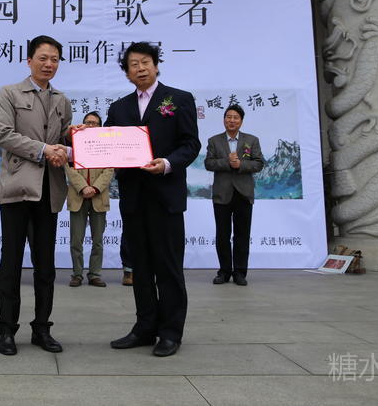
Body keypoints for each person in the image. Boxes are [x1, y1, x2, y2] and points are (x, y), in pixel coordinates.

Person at [104, 41, 200, 357]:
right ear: (127, 73)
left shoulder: (179, 99)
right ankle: (145, 328)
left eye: (145, 62)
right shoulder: (119, 108)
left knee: (168, 267)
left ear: (156, 66)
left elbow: (191, 144)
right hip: (133, 199)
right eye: (134, 64)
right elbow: (104, 144)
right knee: (141, 268)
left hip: (166, 197)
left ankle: (171, 332)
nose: (140, 68)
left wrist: (167, 163)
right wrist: (77, 138)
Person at [0, 34, 73, 356]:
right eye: (43, 58)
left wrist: (71, 142)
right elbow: (4, 135)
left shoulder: (62, 100)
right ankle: (7, 329)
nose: (49, 64)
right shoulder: (9, 93)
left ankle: (42, 328)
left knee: (46, 266)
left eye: (54, 59)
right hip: (17, 189)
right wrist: (43, 150)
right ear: (29, 61)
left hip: (49, 191)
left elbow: (65, 139)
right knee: (11, 263)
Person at [204, 104, 264, 286]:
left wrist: (241, 165)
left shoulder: (251, 140)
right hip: (222, 194)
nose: (231, 120)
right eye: (228, 117)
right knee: (222, 235)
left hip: (243, 194)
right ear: (224, 120)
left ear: (241, 121)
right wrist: (227, 162)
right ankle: (224, 272)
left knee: (242, 235)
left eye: (235, 117)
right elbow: (208, 163)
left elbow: (259, 163)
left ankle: (240, 272)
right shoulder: (214, 141)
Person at [65, 111, 114, 288]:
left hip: (98, 197)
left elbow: (109, 169)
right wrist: (83, 187)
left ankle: (94, 274)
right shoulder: (74, 144)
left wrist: (95, 188)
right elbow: (68, 168)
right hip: (78, 196)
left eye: (94, 123)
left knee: (97, 240)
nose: (91, 125)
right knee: (76, 240)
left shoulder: (106, 146)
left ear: (100, 126)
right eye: (88, 122)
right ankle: (77, 274)